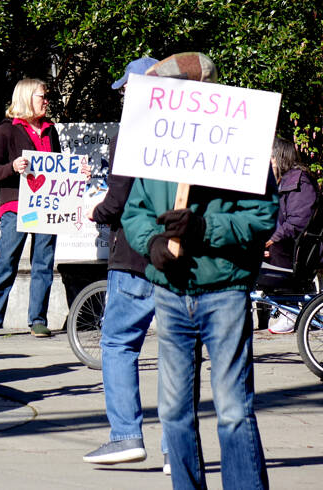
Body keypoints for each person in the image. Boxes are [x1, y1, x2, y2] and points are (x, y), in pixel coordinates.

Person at [121, 53, 274, 489]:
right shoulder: (154, 145)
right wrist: (151, 243)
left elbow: (262, 217)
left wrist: (205, 227)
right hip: (170, 293)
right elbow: (134, 212)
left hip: (224, 291)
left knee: (232, 411)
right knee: (172, 411)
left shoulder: (241, 144)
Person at [82, 57, 170, 474]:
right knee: (176, 353)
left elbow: (118, 201)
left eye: (124, 91)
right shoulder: (187, 135)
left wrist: (96, 210)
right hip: (180, 258)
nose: (121, 97)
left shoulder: (131, 136)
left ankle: (126, 436)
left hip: (134, 257)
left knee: (118, 344)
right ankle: (177, 449)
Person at [0, 78, 58, 339]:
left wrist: (78, 175)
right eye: (42, 96)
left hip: (46, 207)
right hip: (16, 206)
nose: (46, 101)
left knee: (44, 263)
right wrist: (13, 167)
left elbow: (59, 168)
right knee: (7, 261)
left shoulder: (51, 130)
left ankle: (38, 319)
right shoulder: (6, 131)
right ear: (27, 97)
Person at [264, 137, 318, 333]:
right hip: (287, 248)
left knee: (277, 245)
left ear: (281, 156)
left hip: (297, 252)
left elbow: (297, 223)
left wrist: (270, 242)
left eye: (271, 157)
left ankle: (290, 311)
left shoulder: (299, 181)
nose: (268, 162)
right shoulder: (281, 182)